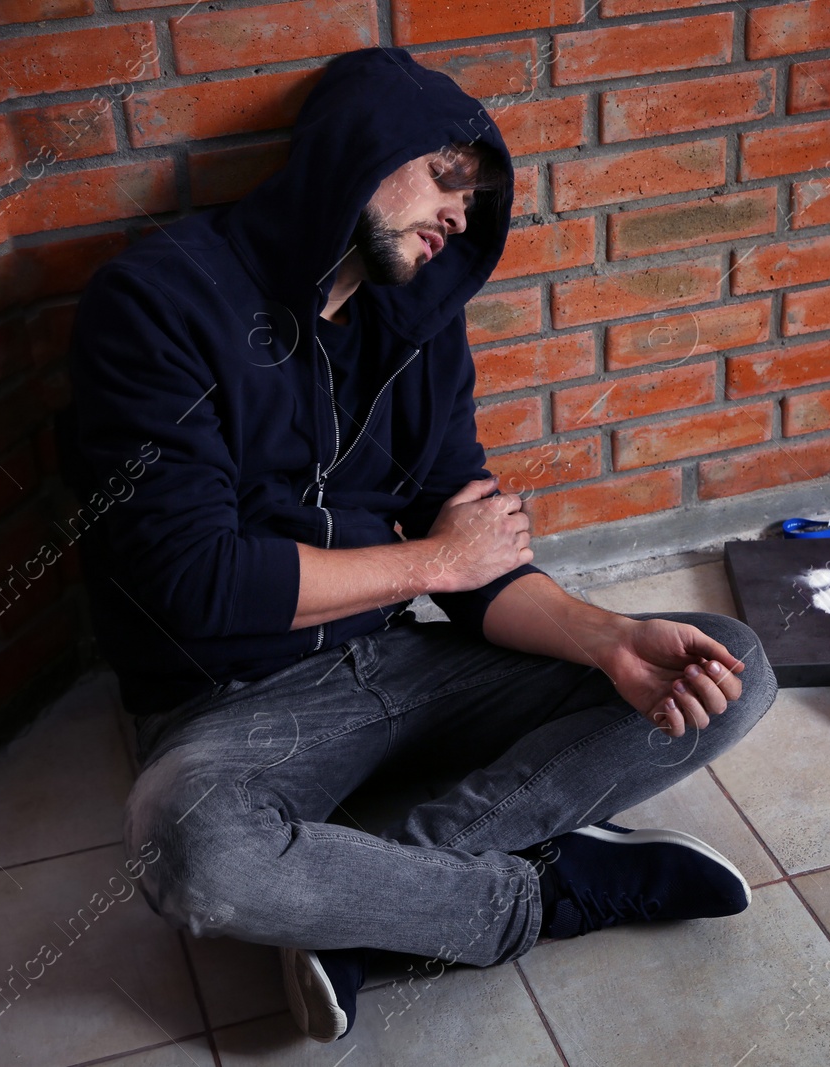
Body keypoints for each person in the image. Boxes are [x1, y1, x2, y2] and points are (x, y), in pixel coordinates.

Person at [58, 46, 778, 1043]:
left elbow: (478, 562)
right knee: (191, 853)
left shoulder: (422, 328)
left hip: (414, 646)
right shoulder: (156, 304)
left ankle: (372, 895)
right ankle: (544, 891)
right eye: (445, 180)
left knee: (726, 666)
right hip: (230, 696)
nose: (459, 216)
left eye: (475, 200)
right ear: (356, 153)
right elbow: (194, 585)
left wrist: (607, 637)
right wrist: (435, 564)